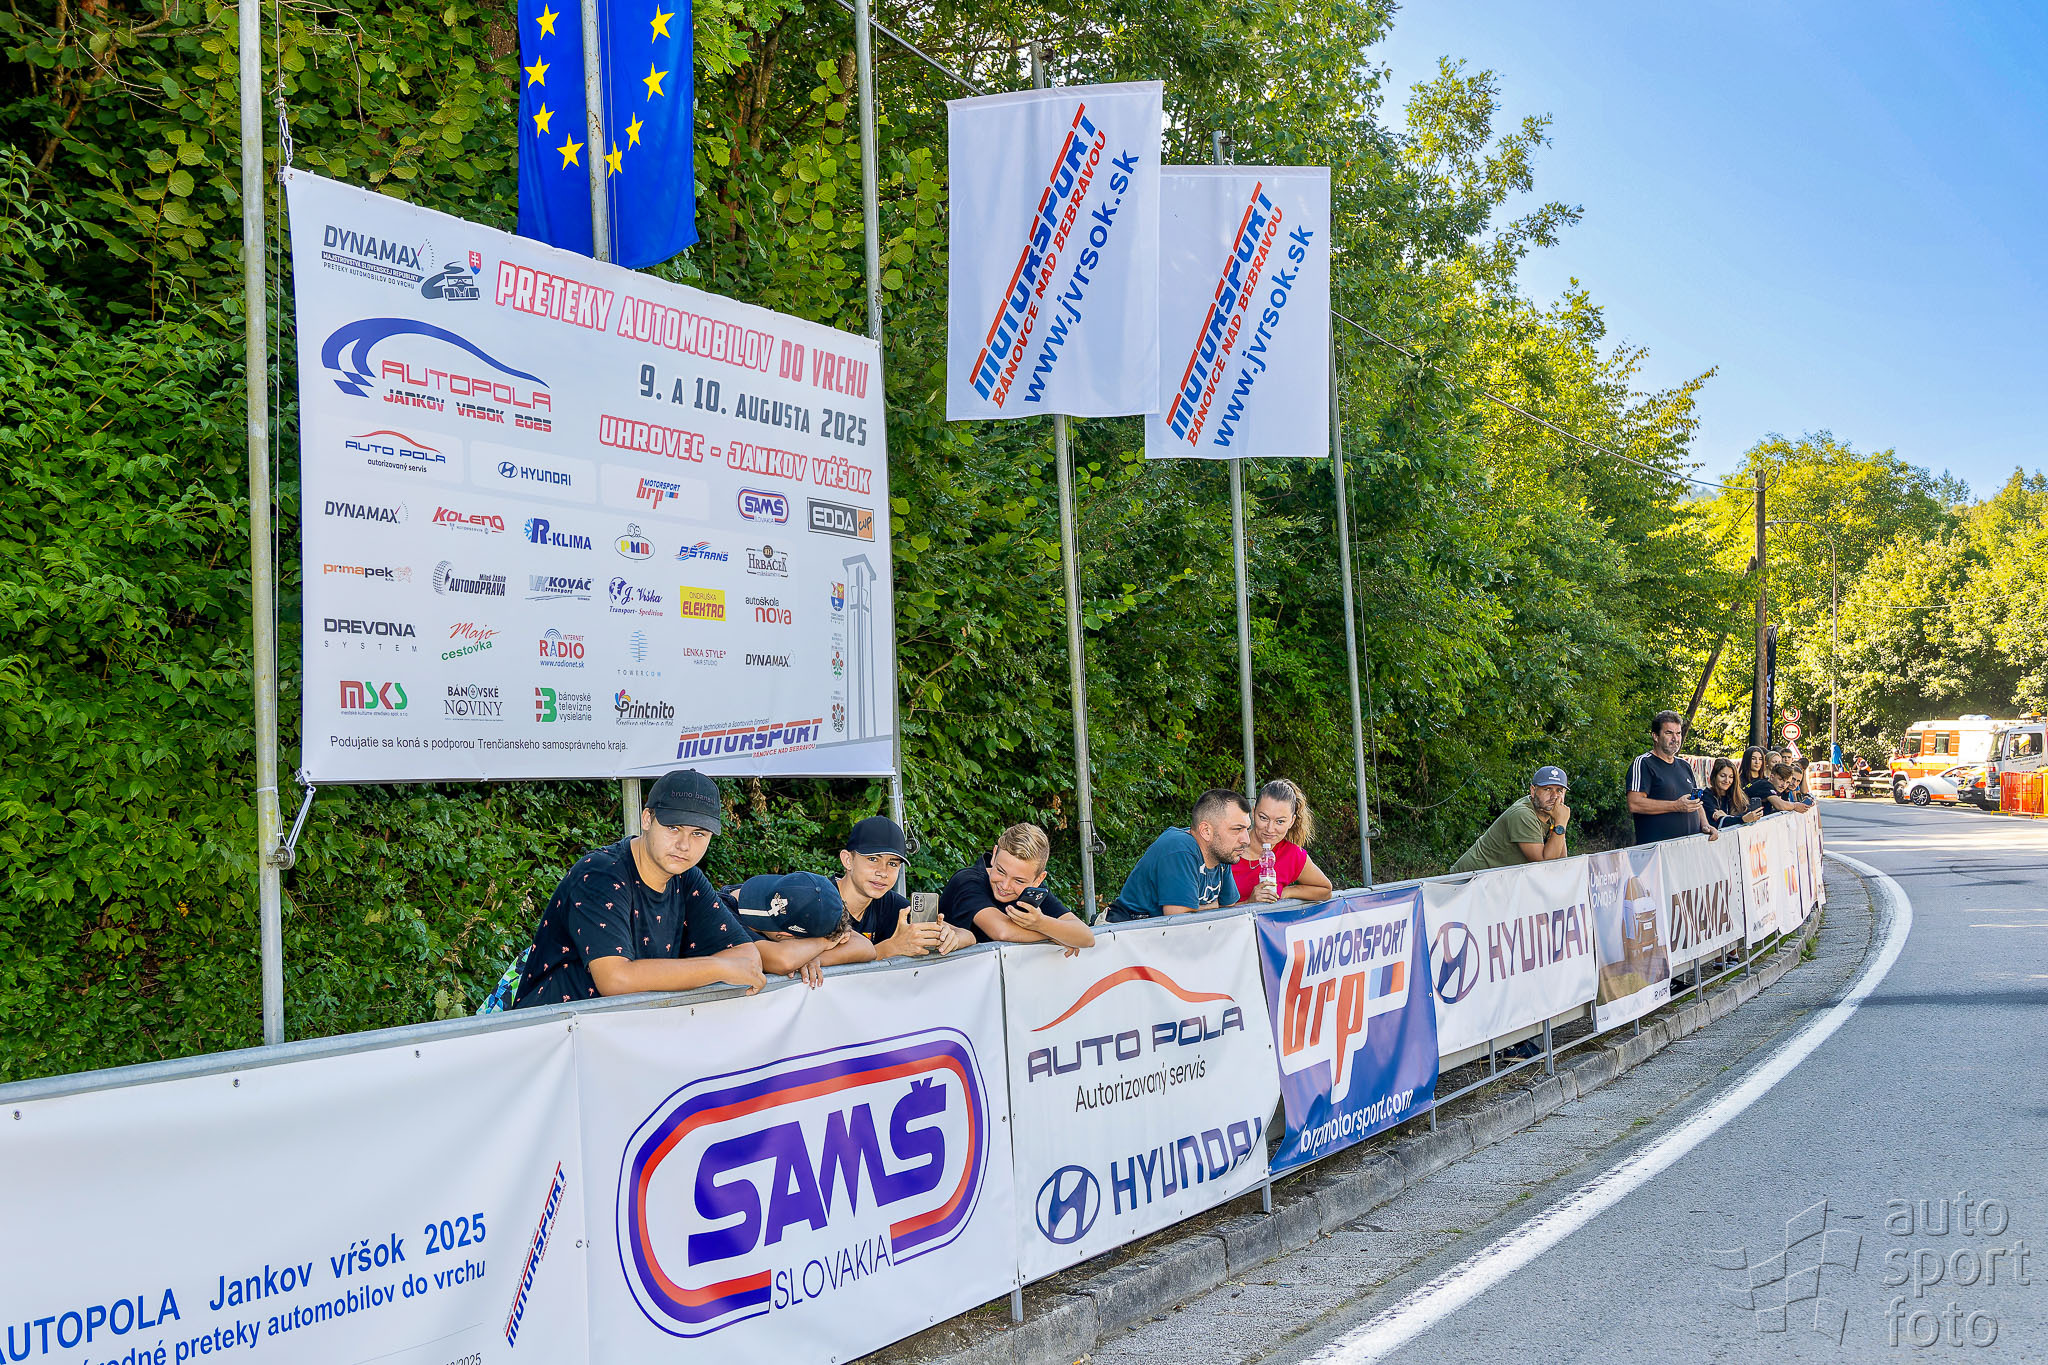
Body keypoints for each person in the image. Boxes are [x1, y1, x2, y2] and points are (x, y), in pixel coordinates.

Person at [511, 769, 766, 1007]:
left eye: (698, 833)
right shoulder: (600, 873)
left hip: (623, 1030)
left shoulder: (687, 878)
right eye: (673, 828)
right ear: (647, 819)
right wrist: (718, 967)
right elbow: (615, 980)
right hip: (552, 1029)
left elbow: (748, 957)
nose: (684, 845)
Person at [938, 823, 1095, 954]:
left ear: (1038, 880)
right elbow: (1002, 931)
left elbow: (1086, 937)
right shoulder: (967, 881)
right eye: (1001, 871)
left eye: (1018, 880)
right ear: (994, 854)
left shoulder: (1033, 891)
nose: (1005, 886)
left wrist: (1042, 923)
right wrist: (1053, 934)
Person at [833, 815, 974, 960]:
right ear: (848, 860)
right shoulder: (822, 901)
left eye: (892, 864)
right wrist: (893, 947)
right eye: (873, 859)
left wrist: (949, 938)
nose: (883, 872)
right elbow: (820, 960)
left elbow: (968, 936)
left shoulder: (889, 904)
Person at [1107, 789, 1252, 921]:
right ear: (1206, 831)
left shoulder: (1222, 853)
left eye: (1246, 829)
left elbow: (1228, 908)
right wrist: (1213, 906)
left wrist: (1200, 909)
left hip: (1156, 935)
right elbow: (1179, 918)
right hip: (1123, 932)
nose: (1246, 840)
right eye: (1237, 829)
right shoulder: (1180, 848)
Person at [730, 870, 874, 987]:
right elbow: (784, 961)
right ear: (785, 935)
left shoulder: (801, 903)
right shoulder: (727, 915)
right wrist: (825, 942)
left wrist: (815, 957)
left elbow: (865, 947)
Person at [1448, 766, 1574, 874]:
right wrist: (1561, 823)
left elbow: (1560, 860)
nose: (1554, 796)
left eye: (1559, 790)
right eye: (1547, 789)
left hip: (1495, 881)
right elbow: (1545, 865)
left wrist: (1559, 823)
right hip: (1466, 880)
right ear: (1533, 791)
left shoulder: (1552, 814)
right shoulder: (1522, 814)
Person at [1232, 778, 1335, 903]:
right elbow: (1209, 908)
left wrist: (1286, 892)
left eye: (1280, 821)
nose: (1270, 829)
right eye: (1263, 818)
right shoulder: (1228, 846)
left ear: (1292, 821)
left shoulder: (1291, 854)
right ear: (1253, 813)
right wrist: (1248, 903)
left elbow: (1325, 890)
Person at [1627, 711, 1710, 844]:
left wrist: (1705, 825)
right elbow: (1634, 803)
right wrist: (1676, 806)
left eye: (1678, 733)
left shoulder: (1685, 765)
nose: (1675, 738)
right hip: (1657, 852)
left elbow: (1696, 802)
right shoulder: (1644, 763)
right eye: (1669, 733)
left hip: (1689, 848)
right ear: (1655, 736)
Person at [1701, 757, 1759, 829]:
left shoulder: (1738, 795)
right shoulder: (1706, 796)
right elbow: (1715, 823)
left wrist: (1726, 817)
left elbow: (1748, 814)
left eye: (1731, 777)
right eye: (1722, 776)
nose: (1727, 780)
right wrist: (1742, 819)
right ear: (1714, 776)